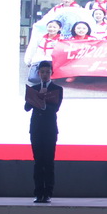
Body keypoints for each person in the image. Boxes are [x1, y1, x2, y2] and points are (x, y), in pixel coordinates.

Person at [24, 60, 63, 203]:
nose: (45, 74)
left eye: (47, 72)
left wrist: (43, 103)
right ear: (38, 73)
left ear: (51, 73)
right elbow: (27, 108)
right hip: (36, 129)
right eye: (42, 72)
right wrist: (37, 96)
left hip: (50, 130)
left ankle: (48, 193)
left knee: (49, 162)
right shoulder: (34, 88)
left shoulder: (57, 89)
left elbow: (55, 108)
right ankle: (38, 193)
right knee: (38, 162)